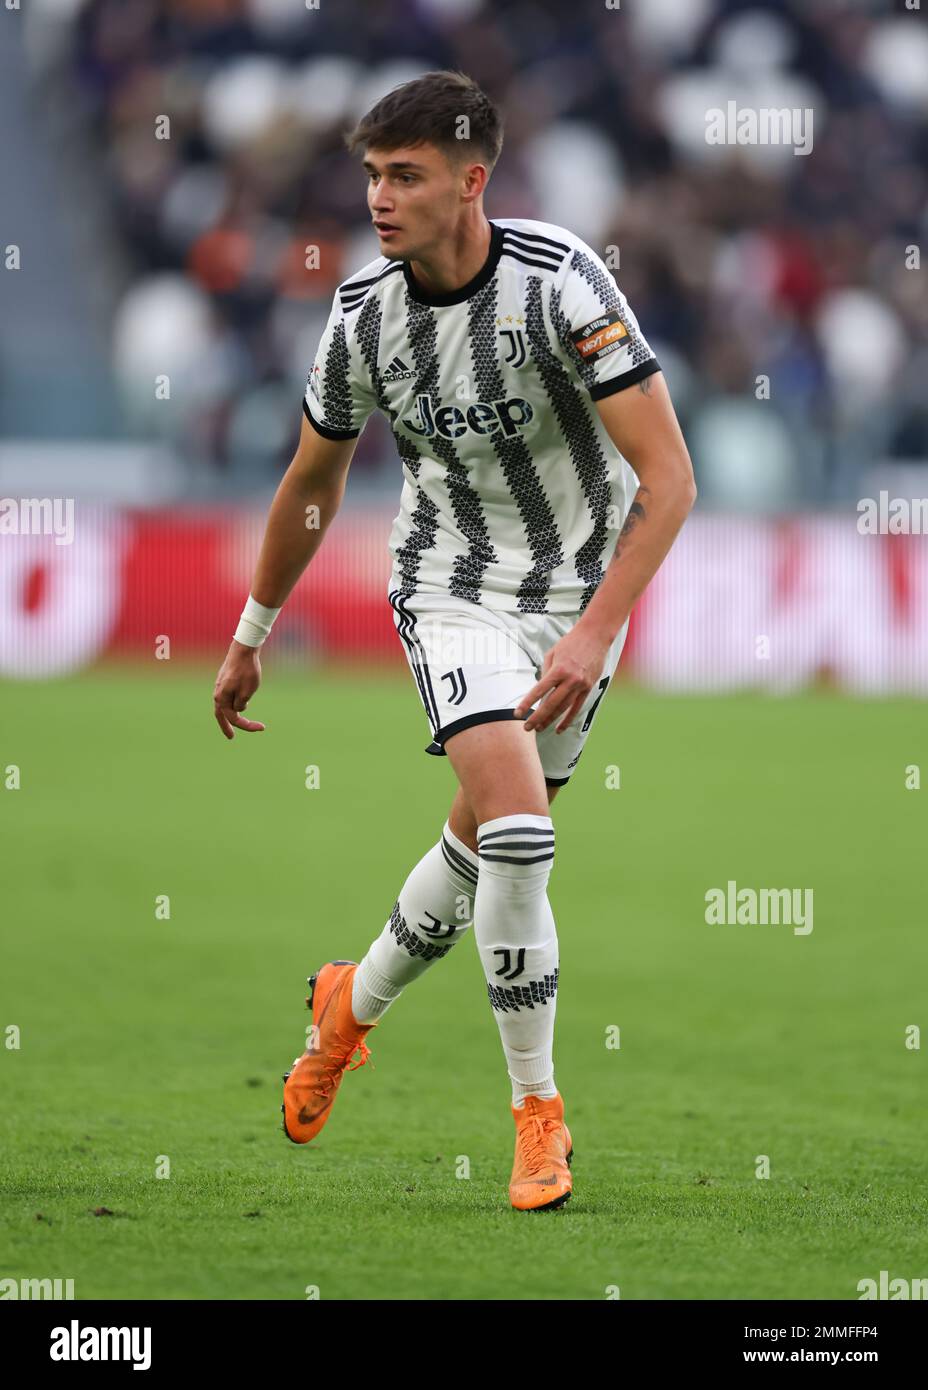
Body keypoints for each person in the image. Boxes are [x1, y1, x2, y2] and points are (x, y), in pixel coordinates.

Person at [213, 70, 696, 1212]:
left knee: (479, 849)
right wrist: (251, 630)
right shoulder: (359, 317)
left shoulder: (560, 282)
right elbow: (311, 483)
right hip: (448, 591)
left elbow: (669, 479)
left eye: (406, 175)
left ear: (470, 181)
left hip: (577, 600)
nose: (380, 198)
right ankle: (539, 1116)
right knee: (521, 835)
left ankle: (346, 1008)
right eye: (373, 175)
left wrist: (592, 630)